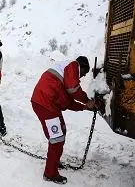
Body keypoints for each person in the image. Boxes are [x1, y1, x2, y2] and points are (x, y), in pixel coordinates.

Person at [30, 56, 96, 184]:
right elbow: (73, 89)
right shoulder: (73, 65)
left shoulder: (65, 77)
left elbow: (69, 102)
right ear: (81, 67)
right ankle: (50, 174)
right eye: (83, 73)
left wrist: (84, 107)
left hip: (49, 104)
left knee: (61, 132)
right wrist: (87, 101)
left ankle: (54, 162)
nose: (82, 77)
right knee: (57, 139)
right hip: (45, 103)